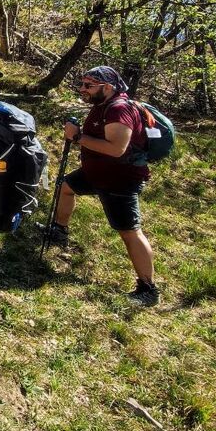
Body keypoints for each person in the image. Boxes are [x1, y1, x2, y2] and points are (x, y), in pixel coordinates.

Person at [47, 66, 159, 306]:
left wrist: (77, 137)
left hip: (119, 180)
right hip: (96, 174)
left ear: (107, 87)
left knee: (130, 232)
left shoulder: (119, 109)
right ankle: (59, 230)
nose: (82, 89)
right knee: (66, 187)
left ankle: (148, 289)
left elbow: (116, 148)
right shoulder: (102, 105)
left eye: (88, 85)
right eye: (82, 84)